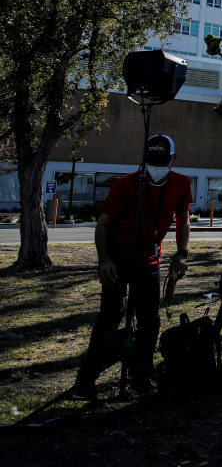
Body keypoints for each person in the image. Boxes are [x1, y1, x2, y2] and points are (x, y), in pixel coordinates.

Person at [72, 134, 191, 399]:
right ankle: (87, 377)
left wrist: (181, 253)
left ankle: (142, 375)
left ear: (174, 158)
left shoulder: (181, 183)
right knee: (111, 316)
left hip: (149, 261)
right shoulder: (126, 184)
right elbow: (102, 224)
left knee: (150, 321)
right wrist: (104, 261)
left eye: (162, 160)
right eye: (152, 160)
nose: (157, 165)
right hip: (118, 259)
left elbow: (183, 219)